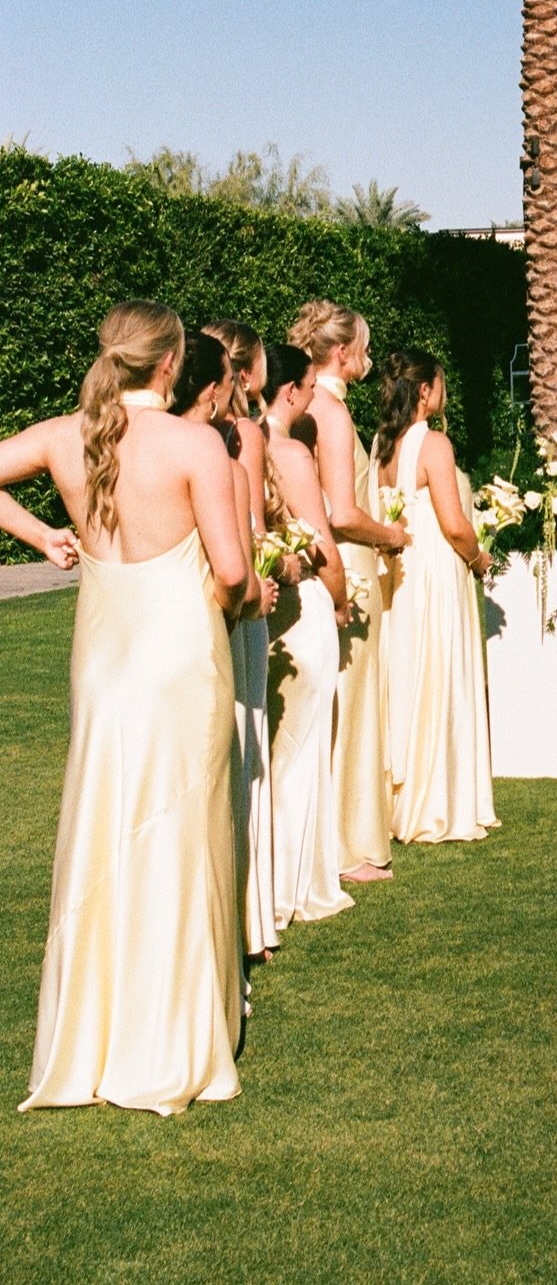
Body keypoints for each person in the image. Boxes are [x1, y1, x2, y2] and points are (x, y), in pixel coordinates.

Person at [0, 300, 250, 1114]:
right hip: (179, 654)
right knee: (178, 829)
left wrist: (40, 534)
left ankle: (95, 1040)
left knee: (104, 824)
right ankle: (165, 1036)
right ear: (173, 363)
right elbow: (235, 570)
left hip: (102, 657)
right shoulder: (194, 442)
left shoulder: (62, 435)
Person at [290, 301, 408, 884]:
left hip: (327, 563)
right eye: (362, 346)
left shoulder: (304, 402)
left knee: (334, 701)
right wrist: (391, 534)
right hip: (351, 565)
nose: (366, 356)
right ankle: (352, 844)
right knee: (353, 703)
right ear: (342, 353)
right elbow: (340, 512)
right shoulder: (331, 411)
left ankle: (330, 834)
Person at [171, 331, 280, 964]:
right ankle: (237, 926)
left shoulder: (110, 443)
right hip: (214, 627)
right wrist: (247, 599)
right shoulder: (218, 451)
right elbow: (235, 568)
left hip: (127, 644)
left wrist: (46, 536)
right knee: (231, 769)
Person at [372, 350, 498, 845]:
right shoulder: (434, 444)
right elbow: (453, 524)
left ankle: (399, 798)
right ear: (425, 390)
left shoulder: (382, 442)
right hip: (436, 574)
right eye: (440, 383)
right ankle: (438, 801)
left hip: (399, 575)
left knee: (404, 673)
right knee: (439, 673)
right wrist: (480, 558)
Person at [263, 342, 354, 929]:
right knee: (301, 746)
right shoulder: (290, 452)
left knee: (274, 746)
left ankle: (268, 881)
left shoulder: (238, 438)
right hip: (303, 605)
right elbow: (322, 545)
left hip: (265, 617)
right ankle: (294, 884)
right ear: (293, 391)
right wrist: (343, 597)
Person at [204, 320, 281, 960]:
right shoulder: (241, 436)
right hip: (240, 602)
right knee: (244, 750)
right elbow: (250, 527)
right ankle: (247, 919)